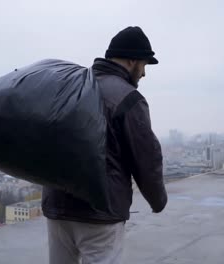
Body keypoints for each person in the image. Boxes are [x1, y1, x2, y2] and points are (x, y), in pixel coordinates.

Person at [42, 26, 168, 264]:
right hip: (100, 214)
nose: (143, 73)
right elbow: (146, 157)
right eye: (144, 64)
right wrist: (158, 200)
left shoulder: (72, 86)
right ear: (132, 60)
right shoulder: (128, 98)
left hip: (57, 206)